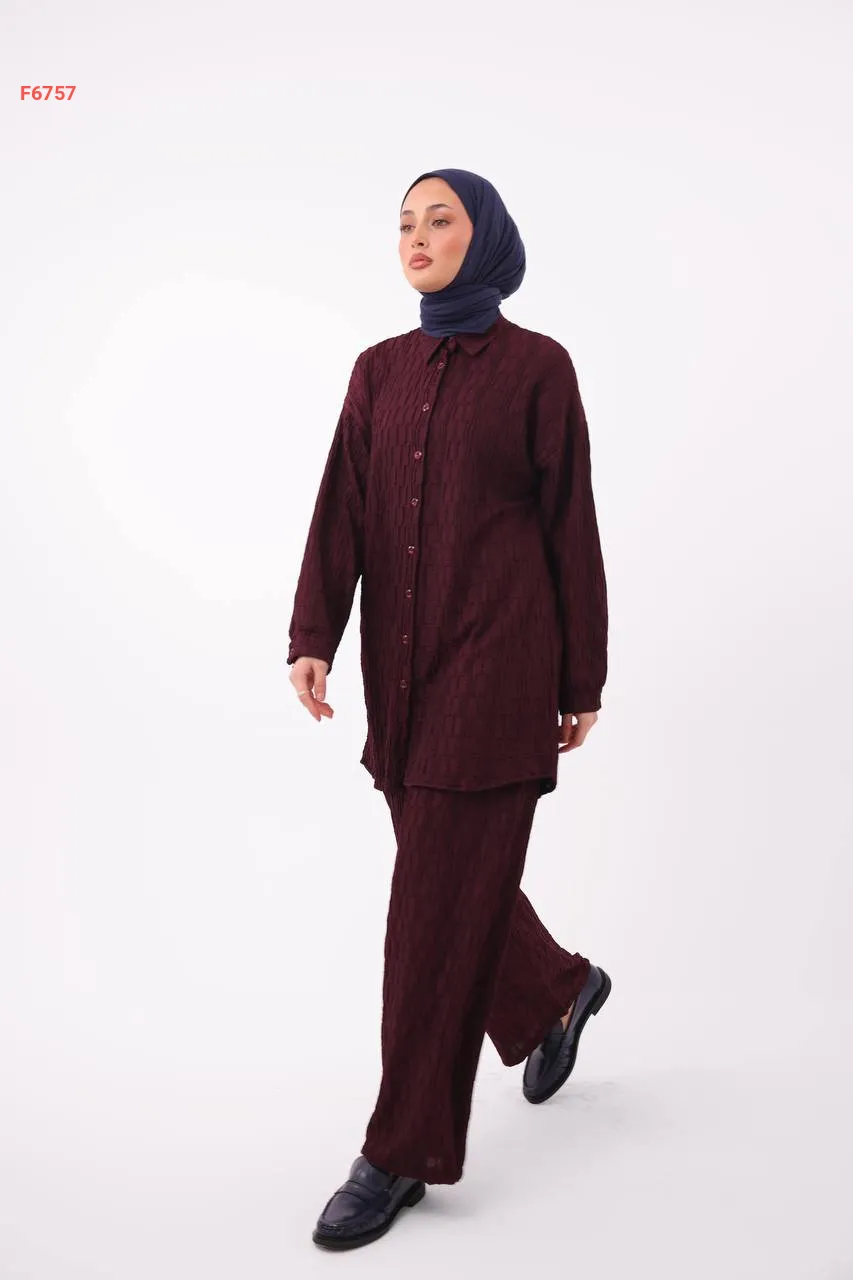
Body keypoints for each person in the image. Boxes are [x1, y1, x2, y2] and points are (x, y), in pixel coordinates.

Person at [286, 167, 611, 1251]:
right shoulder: (378, 371)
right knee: (453, 879)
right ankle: (557, 990)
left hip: (502, 676)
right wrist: (314, 634)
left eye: (440, 220)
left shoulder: (537, 368)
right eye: (404, 224)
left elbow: (569, 525)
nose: (416, 237)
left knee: (426, 915)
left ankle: (398, 1151)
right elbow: (343, 506)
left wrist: (580, 679)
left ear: (488, 240)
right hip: (406, 688)